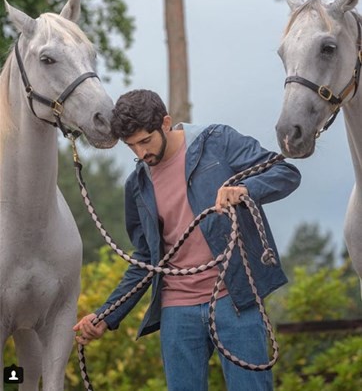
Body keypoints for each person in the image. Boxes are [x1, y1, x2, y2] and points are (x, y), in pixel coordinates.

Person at [74, 89, 301, 390]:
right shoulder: (137, 185)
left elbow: (286, 173)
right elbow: (145, 260)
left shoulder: (217, 141)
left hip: (234, 299)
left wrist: (245, 189)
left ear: (166, 123)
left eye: (145, 141)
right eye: (132, 147)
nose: (142, 154)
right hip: (177, 309)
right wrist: (106, 315)